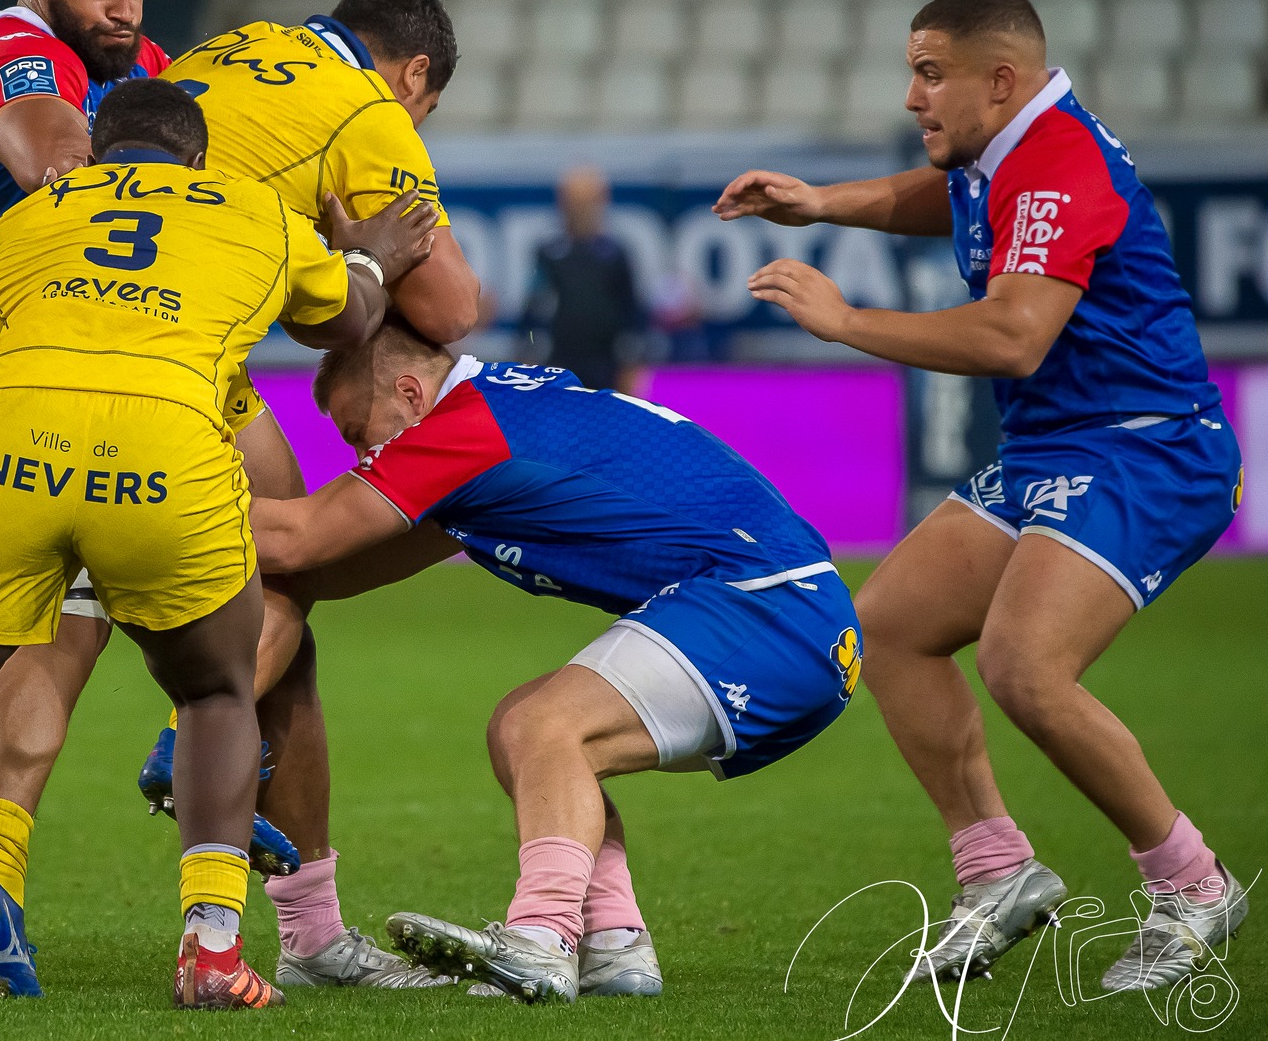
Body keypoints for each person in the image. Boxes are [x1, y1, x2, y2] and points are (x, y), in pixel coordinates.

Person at [0, 79, 439, 1016]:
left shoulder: (25, 221)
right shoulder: (248, 206)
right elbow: (342, 320)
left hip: (2, 453)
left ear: (100, 153)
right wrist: (370, 262)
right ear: (196, 159)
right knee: (217, 692)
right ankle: (212, 953)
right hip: (161, 455)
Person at [714, 0, 1247, 994]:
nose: (911, 96)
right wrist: (823, 201)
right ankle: (995, 868)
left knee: (1021, 665)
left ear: (996, 80)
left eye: (927, 74)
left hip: (1146, 450)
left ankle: (1190, 883)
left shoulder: (1057, 163)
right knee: (891, 623)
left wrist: (844, 320)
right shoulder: (1003, 149)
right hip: (1055, 444)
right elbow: (943, 195)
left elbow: (1012, 333)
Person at [245, 319, 862, 1003]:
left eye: (360, 432)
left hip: (765, 606)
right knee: (523, 729)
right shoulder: (498, 418)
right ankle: (613, 944)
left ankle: (541, 939)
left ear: (413, 394)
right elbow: (332, 563)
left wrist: (144, 511)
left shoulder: (460, 430)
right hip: (795, 613)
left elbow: (300, 537)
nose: (361, 455)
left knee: (545, 727)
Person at [523, 165, 644, 392]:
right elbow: (533, 313)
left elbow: (631, 314)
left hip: (605, 367)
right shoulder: (549, 254)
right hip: (559, 367)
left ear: (601, 201)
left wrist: (630, 363)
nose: (579, 209)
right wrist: (531, 356)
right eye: (574, 201)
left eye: (586, 201)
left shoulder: (614, 255)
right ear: (562, 203)